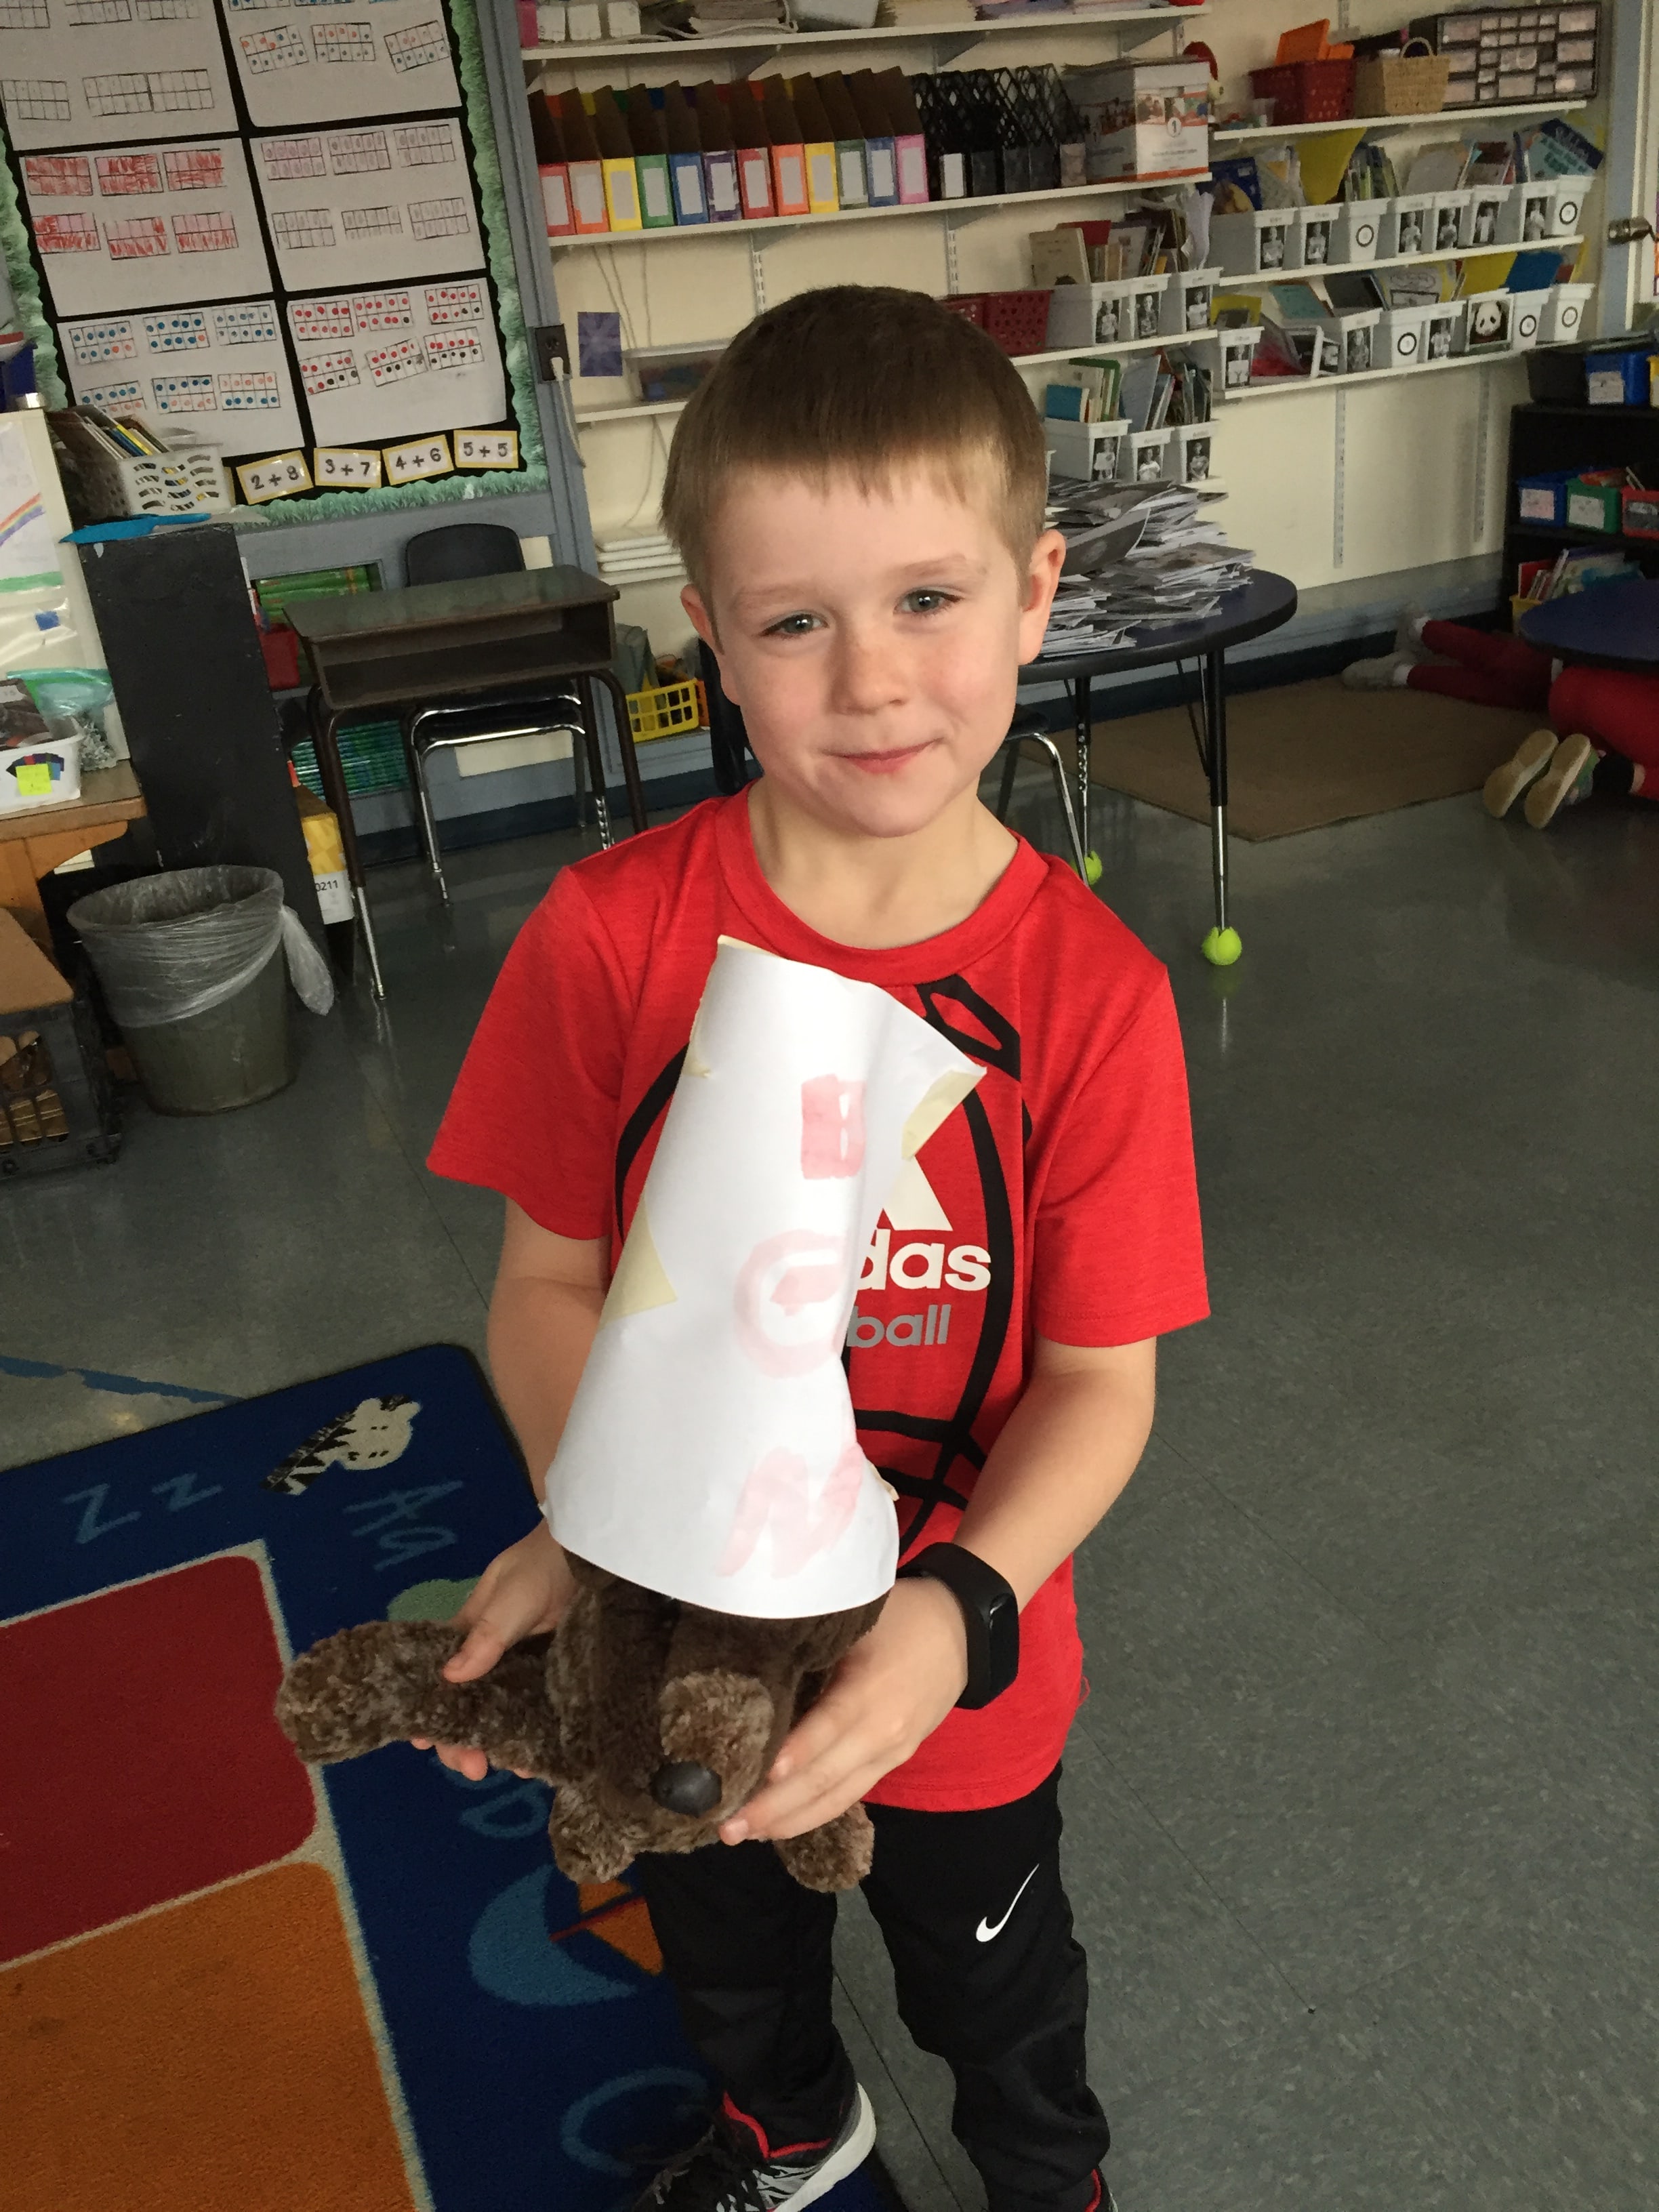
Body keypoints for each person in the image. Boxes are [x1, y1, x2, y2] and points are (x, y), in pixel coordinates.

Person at [424, 286, 1209, 2212]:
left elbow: (1099, 1386)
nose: (869, 682)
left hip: (956, 1667)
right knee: (721, 1941)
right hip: (678, 1637)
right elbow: (545, 1287)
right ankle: (791, 2128)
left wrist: (960, 1616)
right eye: (795, 622)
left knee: (995, 1989)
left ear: (1033, 595)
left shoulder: (1093, 998)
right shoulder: (608, 941)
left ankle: (1047, 2183)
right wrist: (603, 1524)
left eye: (927, 599)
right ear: (711, 637)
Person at [1342, 607, 1659, 827]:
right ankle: (1403, 669)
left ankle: (1421, 632)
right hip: (1588, 719)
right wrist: (1624, 776)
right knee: (1515, 687)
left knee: (1511, 663)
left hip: (1592, 686)